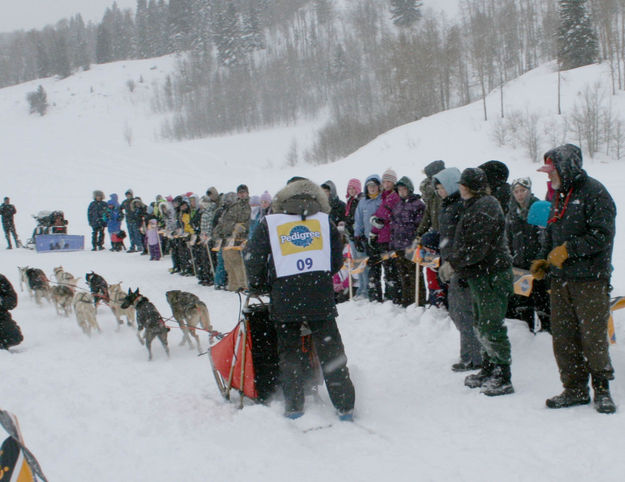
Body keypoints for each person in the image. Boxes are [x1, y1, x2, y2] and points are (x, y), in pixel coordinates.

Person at [245, 178, 355, 420]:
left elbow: (253, 257)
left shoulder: (270, 223)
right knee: (331, 352)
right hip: (320, 297)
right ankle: (345, 405)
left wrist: (260, 284)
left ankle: (294, 406)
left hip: (284, 297)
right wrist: (319, 276)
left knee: (289, 353)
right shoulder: (323, 221)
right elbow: (337, 259)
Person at [532, 144, 617, 414]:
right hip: (561, 280)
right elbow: (552, 231)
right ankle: (574, 388)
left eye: (552, 170)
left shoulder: (595, 192)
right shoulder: (559, 194)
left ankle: (602, 390)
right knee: (564, 337)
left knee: (593, 337)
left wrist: (570, 250)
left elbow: (603, 235)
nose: (548, 176)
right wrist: (544, 258)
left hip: (590, 279)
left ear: (567, 167)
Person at [445, 168, 514, 396]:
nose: (460, 188)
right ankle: (488, 367)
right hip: (480, 274)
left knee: (491, 325)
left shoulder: (486, 206)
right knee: (480, 324)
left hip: (492, 274)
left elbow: (476, 246)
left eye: (463, 184)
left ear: (471, 187)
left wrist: (454, 263)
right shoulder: (476, 204)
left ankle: (503, 375)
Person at [435, 167, 482, 372]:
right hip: (451, 262)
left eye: (442, 186)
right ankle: (468, 355)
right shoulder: (447, 206)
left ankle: (474, 357)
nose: (439, 191)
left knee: (464, 312)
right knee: (457, 311)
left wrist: (457, 261)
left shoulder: (460, 206)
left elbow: (463, 237)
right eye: (437, 188)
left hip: (460, 265)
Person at [506, 177, 550, 333]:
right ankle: (526, 334)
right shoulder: (511, 213)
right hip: (519, 267)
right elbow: (508, 239)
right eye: (516, 191)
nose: (520, 195)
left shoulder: (538, 209)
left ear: (529, 191)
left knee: (542, 301)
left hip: (537, 265)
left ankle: (546, 333)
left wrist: (540, 260)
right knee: (522, 304)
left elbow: (545, 238)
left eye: (523, 191)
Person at [390, 176, 425, 307]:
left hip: (412, 245)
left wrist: (416, 240)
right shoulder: (397, 205)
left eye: (404, 189)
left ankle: (419, 301)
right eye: (399, 189)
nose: (401, 192)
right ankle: (407, 300)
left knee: (415, 275)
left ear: (409, 189)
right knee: (403, 275)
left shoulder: (418, 205)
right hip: (398, 246)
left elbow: (420, 225)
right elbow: (393, 225)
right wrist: (392, 244)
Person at [369, 168, 401, 302]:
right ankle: (390, 295)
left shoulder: (394, 196)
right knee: (387, 266)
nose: (386, 184)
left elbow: (384, 216)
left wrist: (376, 220)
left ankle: (393, 295)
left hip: (389, 238)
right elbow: (380, 219)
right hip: (383, 237)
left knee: (390, 268)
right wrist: (374, 231)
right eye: (385, 181)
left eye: (389, 181)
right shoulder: (385, 196)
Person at [353, 175, 382, 300]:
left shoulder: (382, 200)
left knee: (385, 266)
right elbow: (358, 220)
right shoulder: (363, 202)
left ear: (378, 186)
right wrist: (357, 236)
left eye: (374, 186)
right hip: (367, 239)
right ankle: (372, 293)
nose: (372, 188)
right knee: (370, 268)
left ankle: (388, 292)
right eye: (369, 186)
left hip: (381, 239)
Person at [416, 160, 446, 237]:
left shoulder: (442, 194)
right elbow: (427, 216)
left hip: (443, 235)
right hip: (442, 235)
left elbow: (427, 217)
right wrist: (419, 233)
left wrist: (420, 233)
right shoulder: (434, 195)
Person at [0, 274, 23, 351]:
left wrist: (1, 302)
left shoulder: (1, 279)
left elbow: (12, 301)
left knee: (14, 337)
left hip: (1, 318)